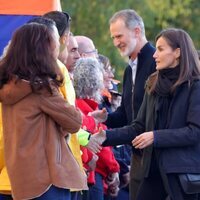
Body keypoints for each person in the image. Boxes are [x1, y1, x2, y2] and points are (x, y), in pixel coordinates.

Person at [92, 28, 200, 200]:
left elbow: (195, 132)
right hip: (153, 171)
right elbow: (138, 127)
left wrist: (156, 137)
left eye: (161, 49)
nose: (155, 55)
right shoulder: (153, 84)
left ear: (178, 52)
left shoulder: (195, 86)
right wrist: (105, 137)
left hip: (182, 175)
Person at [0, 23, 87, 200]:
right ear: (43, 50)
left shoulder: (7, 87)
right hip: (48, 179)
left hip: (20, 180)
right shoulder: (42, 88)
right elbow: (74, 122)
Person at [90, 9, 156, 200]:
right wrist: (105, 118)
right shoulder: (129, 70)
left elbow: (147, 120)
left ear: (136, 31)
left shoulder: (155, 65)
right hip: (137, 157)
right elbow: (127, 115)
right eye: (113, 38)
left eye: (119, 36)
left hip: (156, 159)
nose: (116, 42)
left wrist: (105, 136)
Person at [73, 57, 120, 200]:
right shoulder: (88, 109)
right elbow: (101, 145)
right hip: (90, 174)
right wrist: (114, 168)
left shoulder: (78, 105)